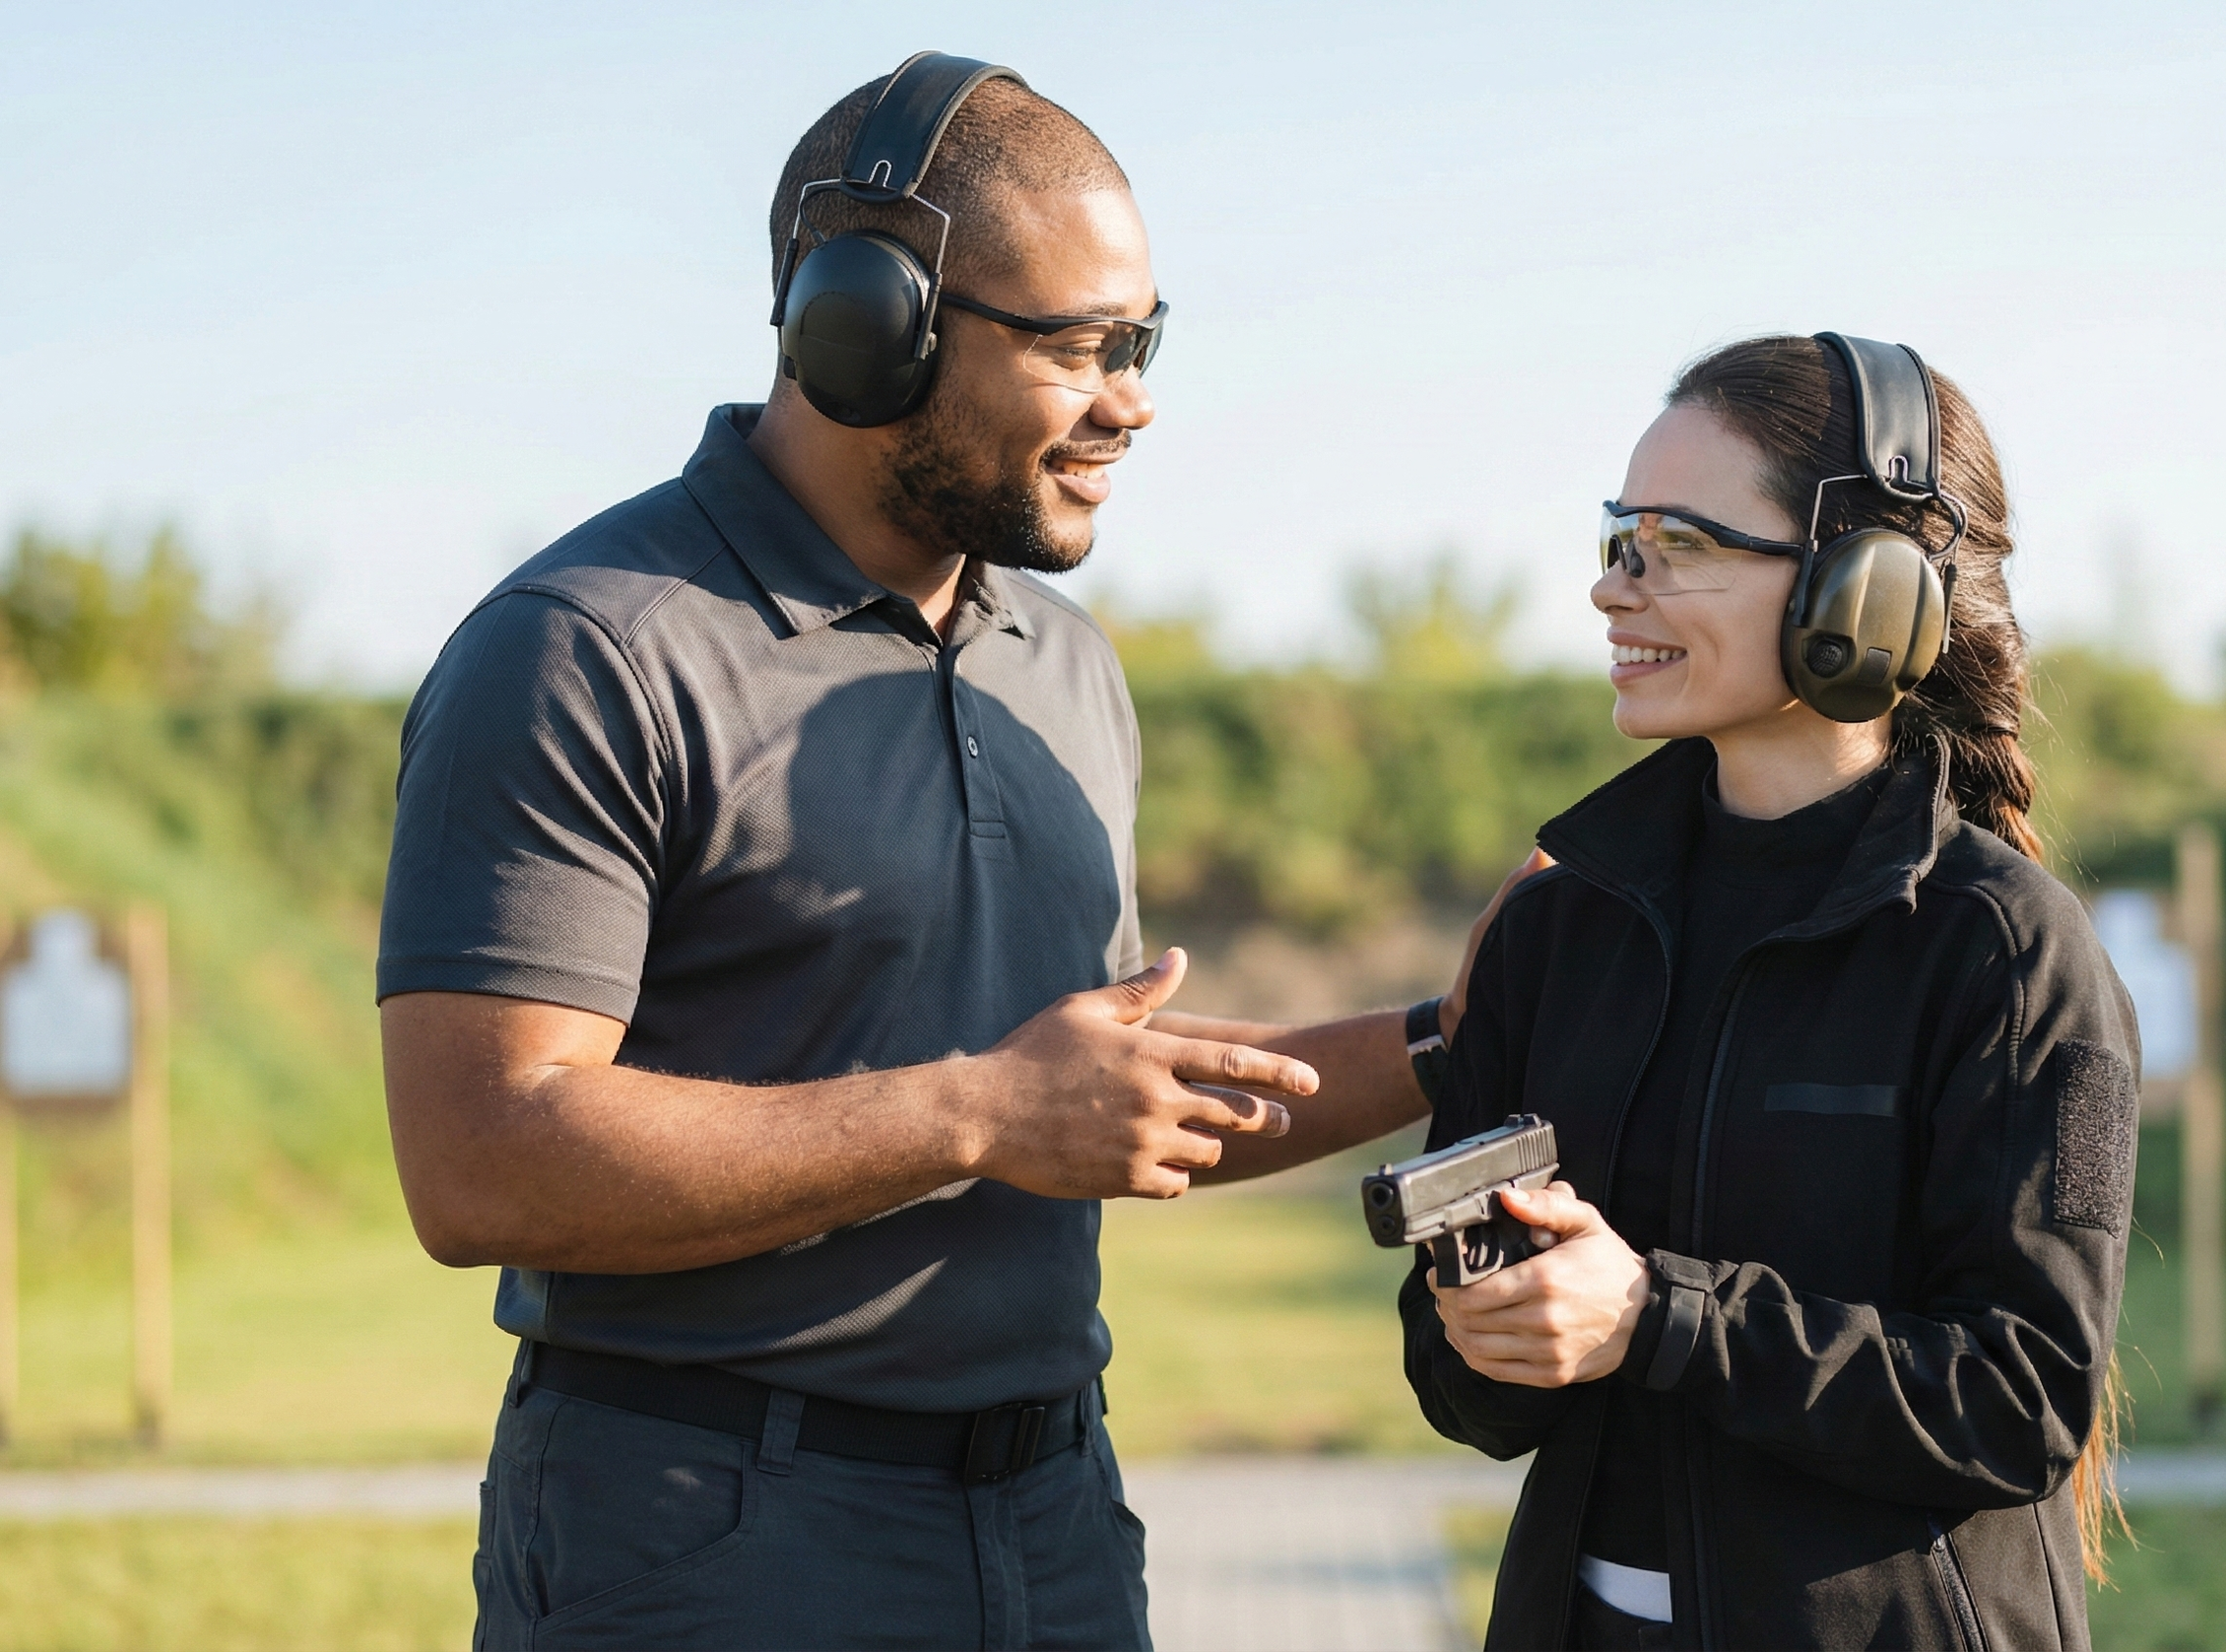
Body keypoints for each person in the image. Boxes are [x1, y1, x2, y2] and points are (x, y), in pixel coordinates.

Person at [378, 56, 1531, 1651]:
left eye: (1145, 340)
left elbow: (1105, 1096)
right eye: (1078, 346)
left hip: (1056, 1515)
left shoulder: (1067, 665)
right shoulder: (584, 650)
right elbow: (481, 1158)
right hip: (712, 1533)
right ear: (867, 325)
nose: (1134, 398)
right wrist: (980, 1114)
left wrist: (1451, 1042)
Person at [1404, 334, 2137, 1650]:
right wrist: (1489, 1327)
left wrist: (1657, 1316)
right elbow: (1464, 1397)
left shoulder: (2013, 957)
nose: (1610, 590)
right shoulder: (1558, 930)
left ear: (1867, 588)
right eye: (1619, 538)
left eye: (1675, 544)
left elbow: (2022, 1397)